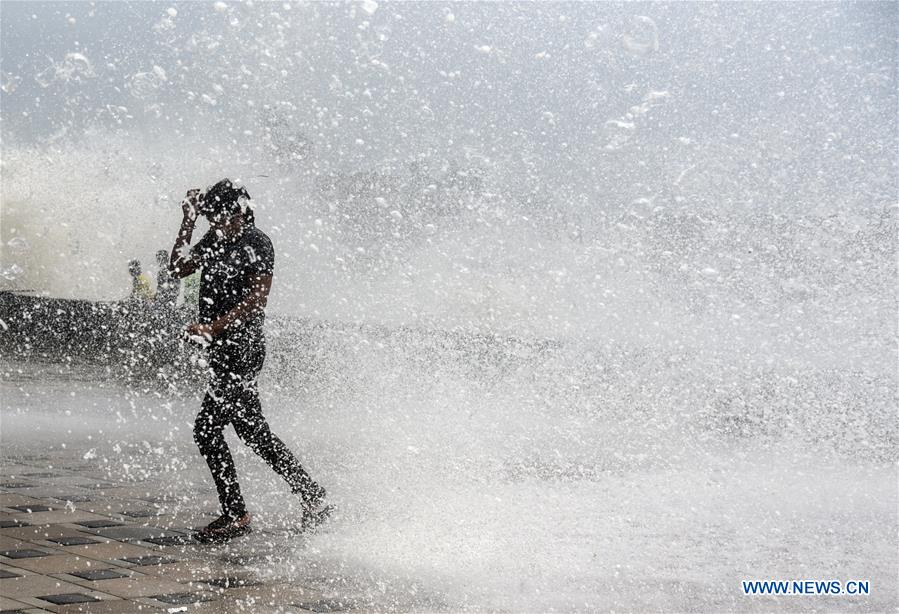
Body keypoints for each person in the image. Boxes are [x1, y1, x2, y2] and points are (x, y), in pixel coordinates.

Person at [168, 178, 329, 543]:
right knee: (254, 434)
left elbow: (258, 299)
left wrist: (213, 327)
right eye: (211, 219)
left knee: (208, 430)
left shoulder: (257, 242)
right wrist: (189, 222)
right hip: (223, 351)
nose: (217, 224)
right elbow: (178, 268)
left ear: (239, 210)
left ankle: (237, 513)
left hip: (243, 349)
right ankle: (311, 495)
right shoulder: (215, 237)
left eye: (219, 217)